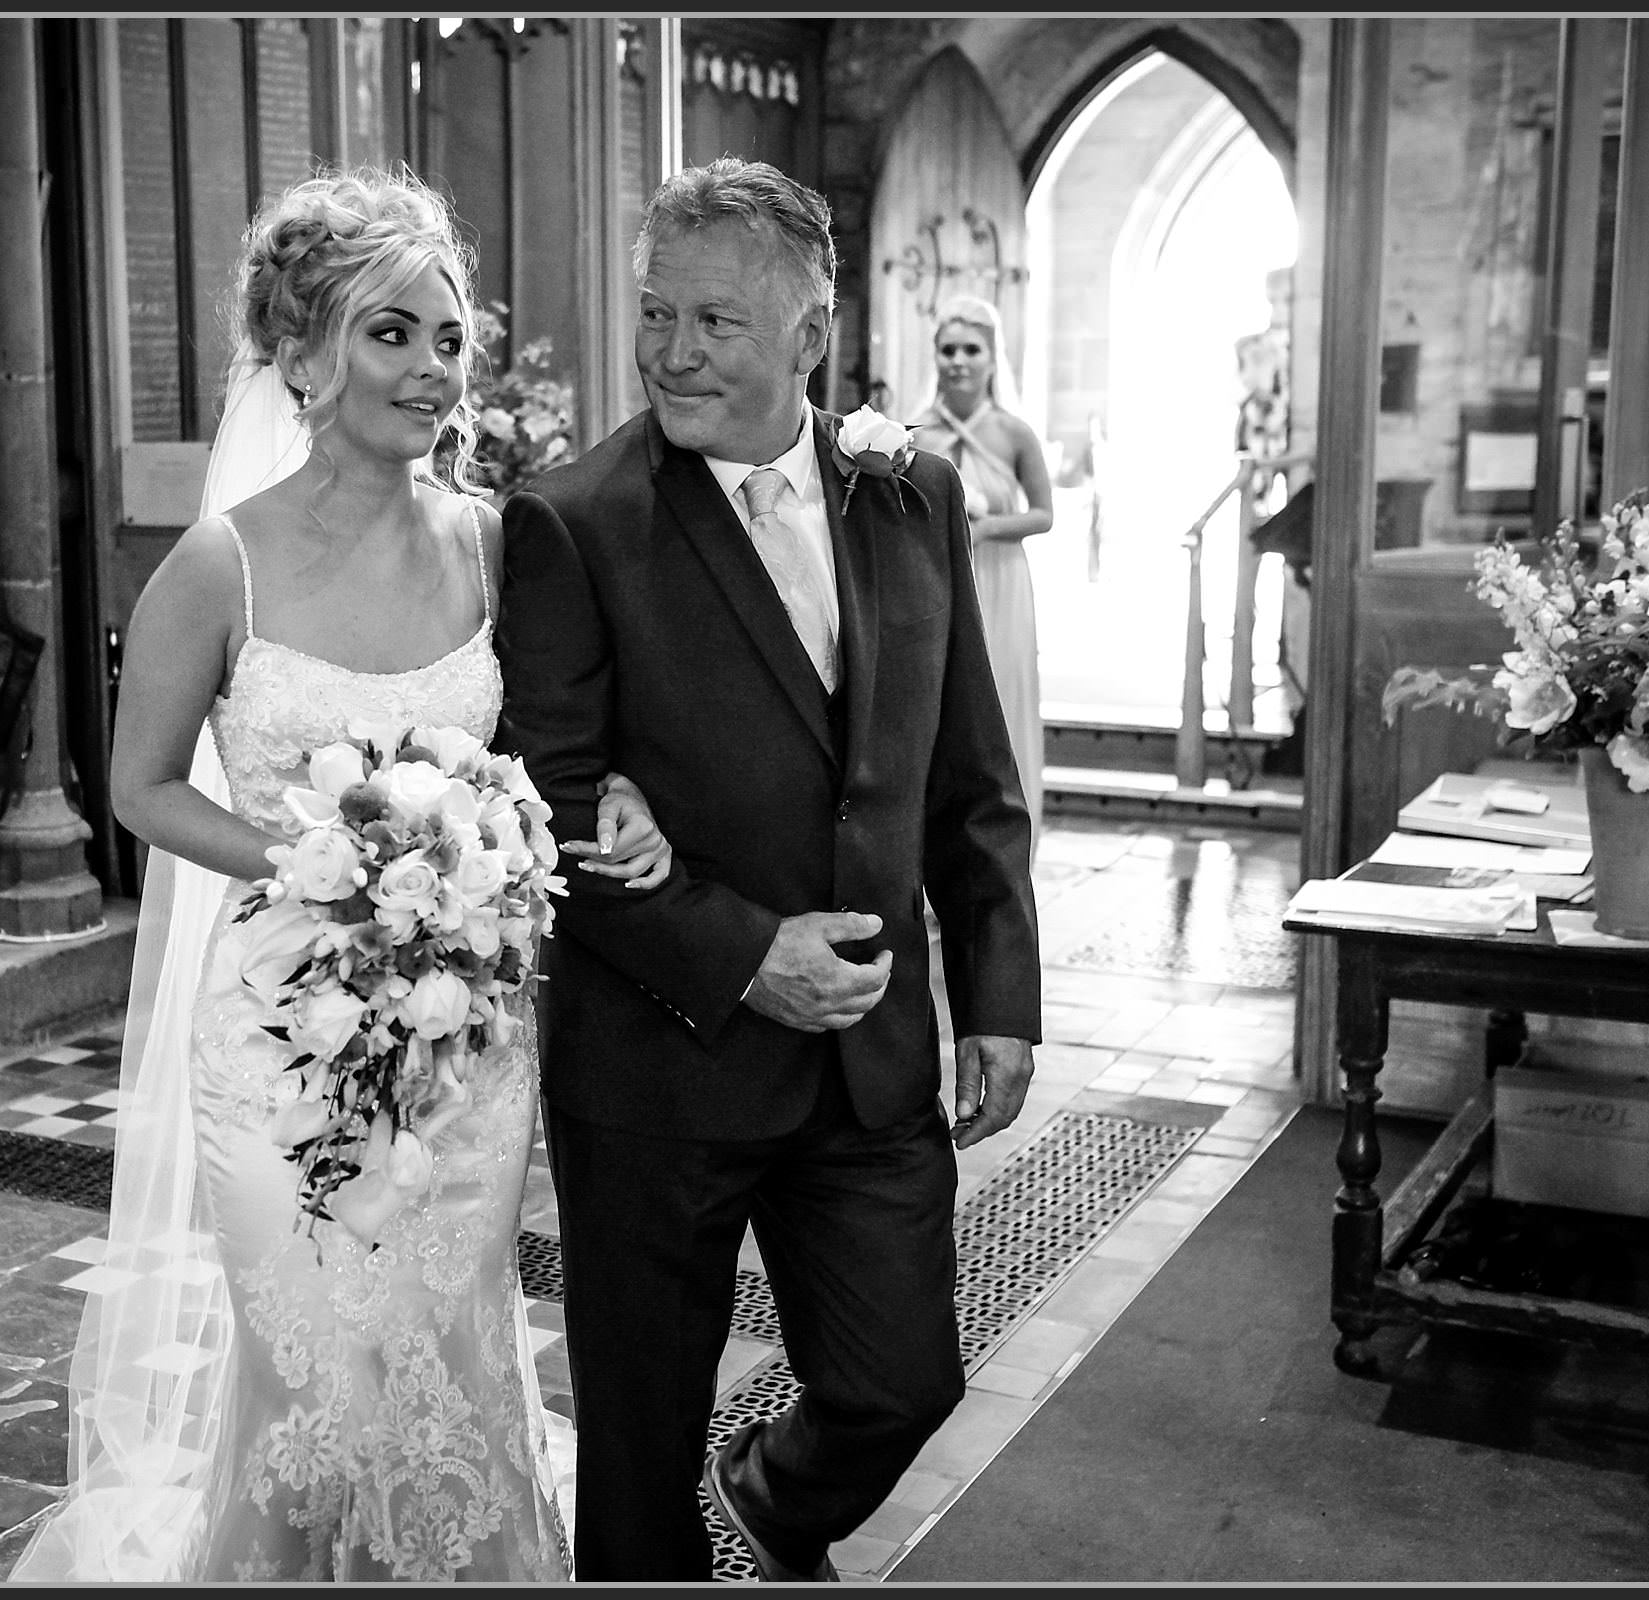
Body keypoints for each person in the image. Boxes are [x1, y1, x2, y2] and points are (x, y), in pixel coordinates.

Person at [10, 166, 673, 1584]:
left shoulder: (499, 544)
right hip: (277, 1036)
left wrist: (585, 805)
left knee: (447, 1349)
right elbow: (135, 790)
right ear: (301, 356)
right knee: (321, 1378)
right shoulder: (217, 568)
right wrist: (326, 864)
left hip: (467, 1045)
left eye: (449, 342)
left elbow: (562, 743)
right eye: (391, 334)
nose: (431, 371)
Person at [495, 157, 1042, 1582]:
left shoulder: (911, 490)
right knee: (638, 1451)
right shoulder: (574, 520)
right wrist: (747, 954)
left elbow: (969, 776)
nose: (672, 352)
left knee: (901, 1381)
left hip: (866, 1054)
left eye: (716, 323)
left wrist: (1001, 997)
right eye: (656, 313)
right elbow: (555, 810)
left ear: (810, 333)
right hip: (659, 1064)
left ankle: (778, 1502)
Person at [909, 294, 1054, 832]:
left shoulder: (1014, 432)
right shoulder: (916, 432)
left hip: (1001, 580)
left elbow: (1043, 514)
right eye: (948, 350)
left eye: (971, 349)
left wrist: (985, 529)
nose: (959, 361)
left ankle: (1010, 835)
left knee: (1001, 700)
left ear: (993, 359)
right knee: (941, 707)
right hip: (939, 582)